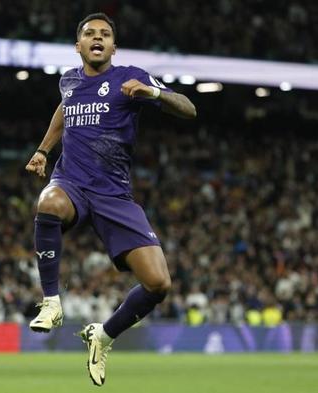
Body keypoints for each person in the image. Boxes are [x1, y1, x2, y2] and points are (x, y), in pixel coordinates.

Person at [25, 12, 196, 386]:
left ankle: (102, 335)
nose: (97, 38)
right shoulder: (68, 81)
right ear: (79, 46)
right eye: (89, 34)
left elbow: (188, 108)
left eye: (105, 34)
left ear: (113, 47)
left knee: (158, 284)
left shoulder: (127, 77)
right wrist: (43, 149)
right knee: (48, 202)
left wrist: (152, 92)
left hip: (114, 194)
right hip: (72, 182)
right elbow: (64, 110)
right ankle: (52, 303)